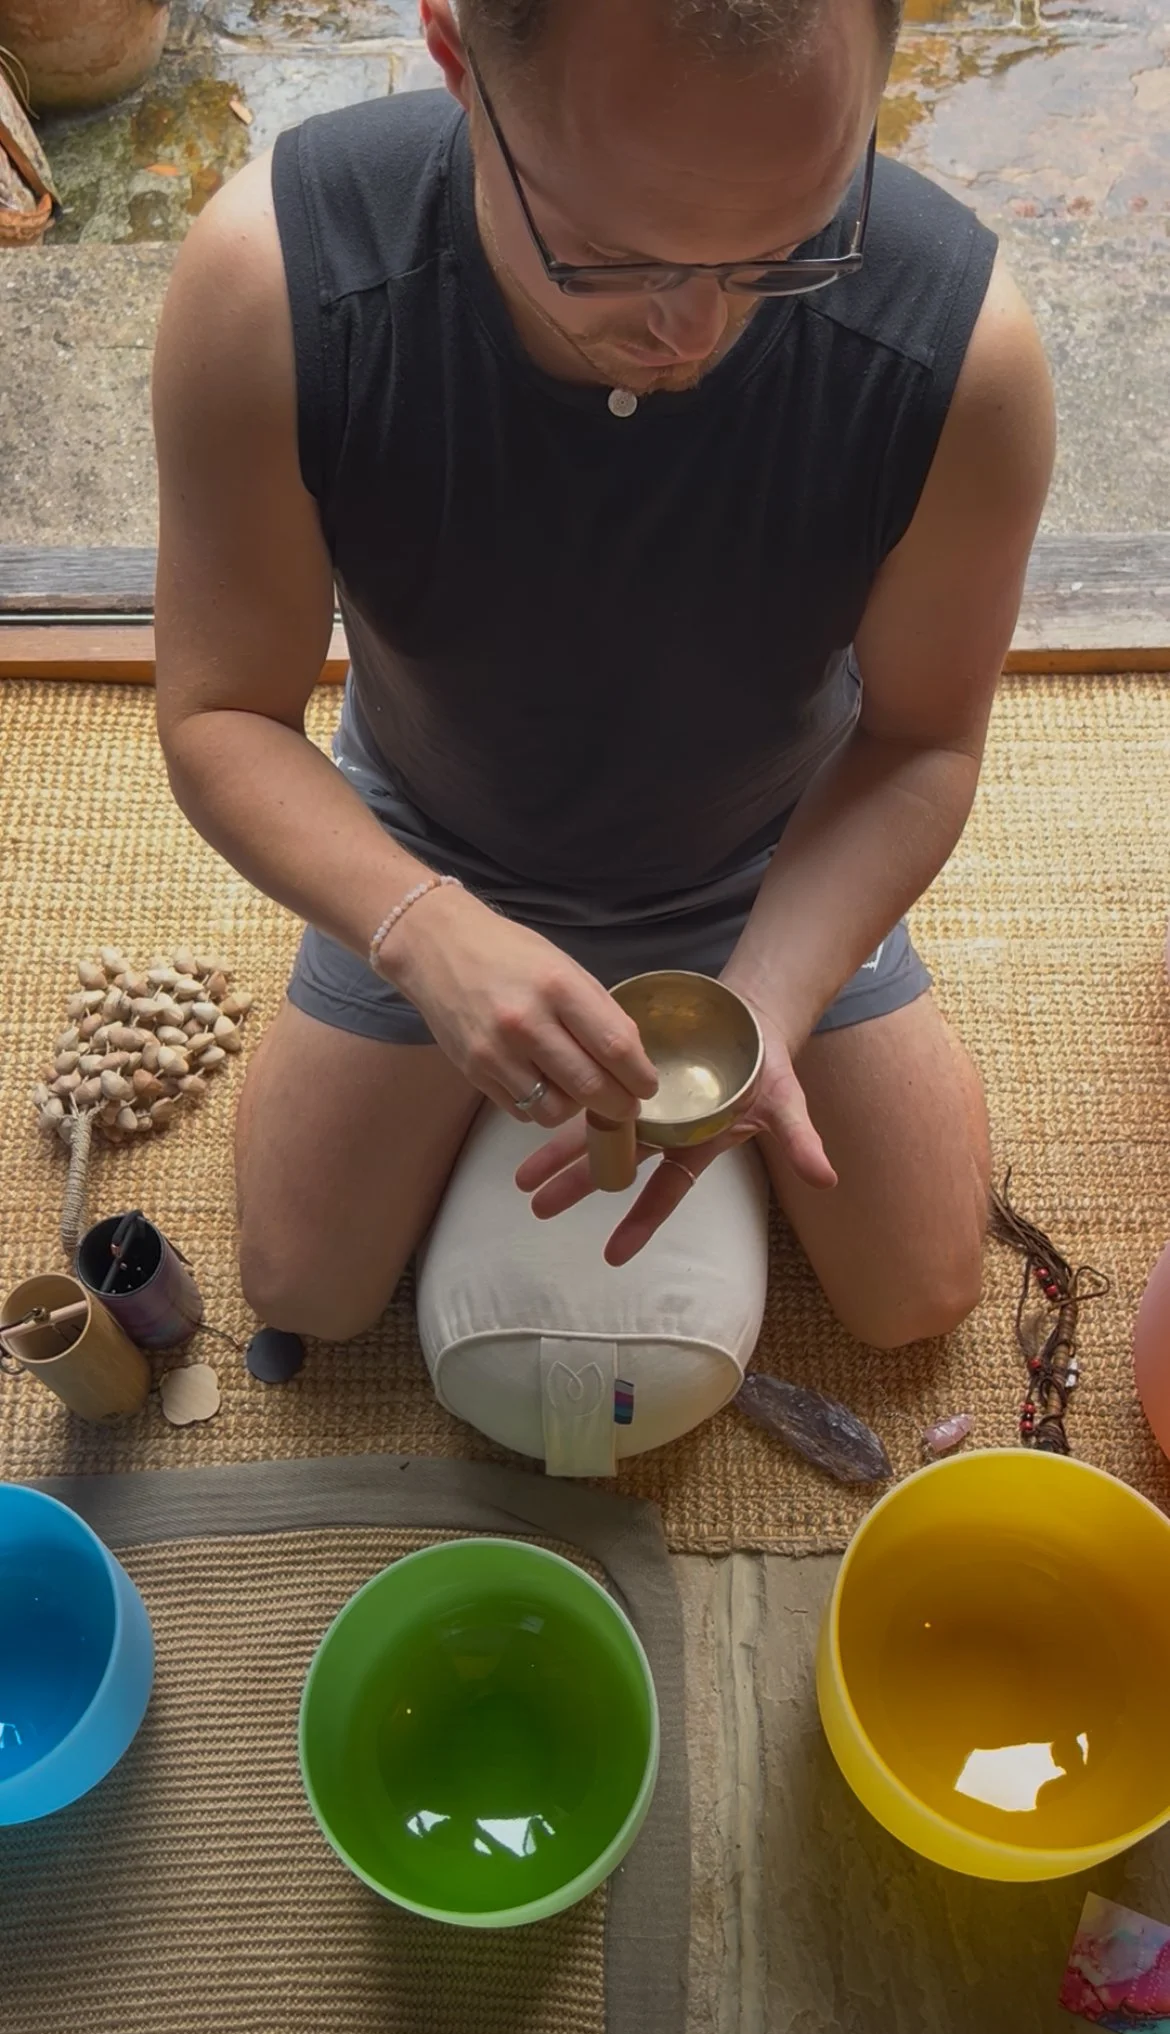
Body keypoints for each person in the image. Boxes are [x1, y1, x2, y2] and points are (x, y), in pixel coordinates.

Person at [152, 0, 1053, 1350]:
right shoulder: (276, 286)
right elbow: (222, 710)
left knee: (918, 1293)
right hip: (435, 828)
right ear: (456, 60)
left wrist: (769, 996)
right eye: (605, 258)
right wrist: (420, 929)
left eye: (786, 249)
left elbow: (919, 741)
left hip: (771, 843)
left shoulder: (959, 354)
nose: (689, 331)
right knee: (304, 1286)